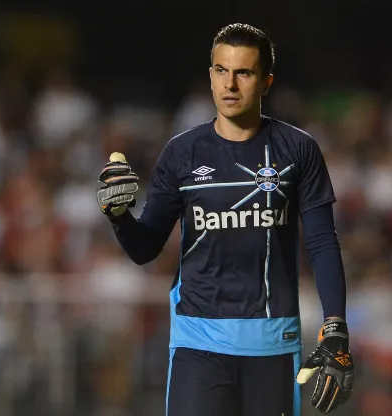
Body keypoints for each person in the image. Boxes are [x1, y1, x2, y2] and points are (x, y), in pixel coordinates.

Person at [96, 23, 354, 416]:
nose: (230, 83)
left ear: (266, 82)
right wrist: (118, 217)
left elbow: (321, 242)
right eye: (221, 70)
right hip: (198, 344)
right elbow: (144, 248)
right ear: (211, 75)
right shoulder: (181, 153)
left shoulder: (298, 149)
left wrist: (335, 327)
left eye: (244, 72)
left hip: (274, 344)